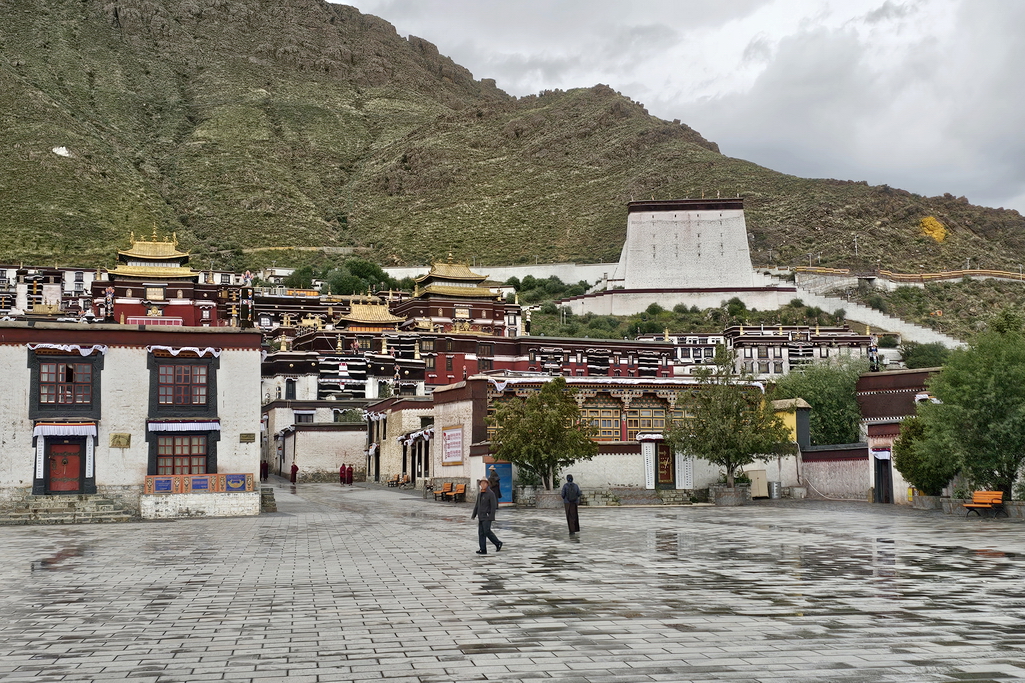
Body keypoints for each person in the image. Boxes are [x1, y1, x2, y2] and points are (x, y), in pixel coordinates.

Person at [471, 478, 502, 554]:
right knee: (481, 533)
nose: (483, 485)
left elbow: (493, 506)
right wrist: (474, 514)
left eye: (484, 483)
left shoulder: (490, 494)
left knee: (487, 531)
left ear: (487, 484)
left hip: (487, 516)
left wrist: (491, 516)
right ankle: (483, 549)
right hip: (481, 516)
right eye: (481, 483)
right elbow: (477, 505)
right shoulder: (480, 494)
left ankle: (497, 543)